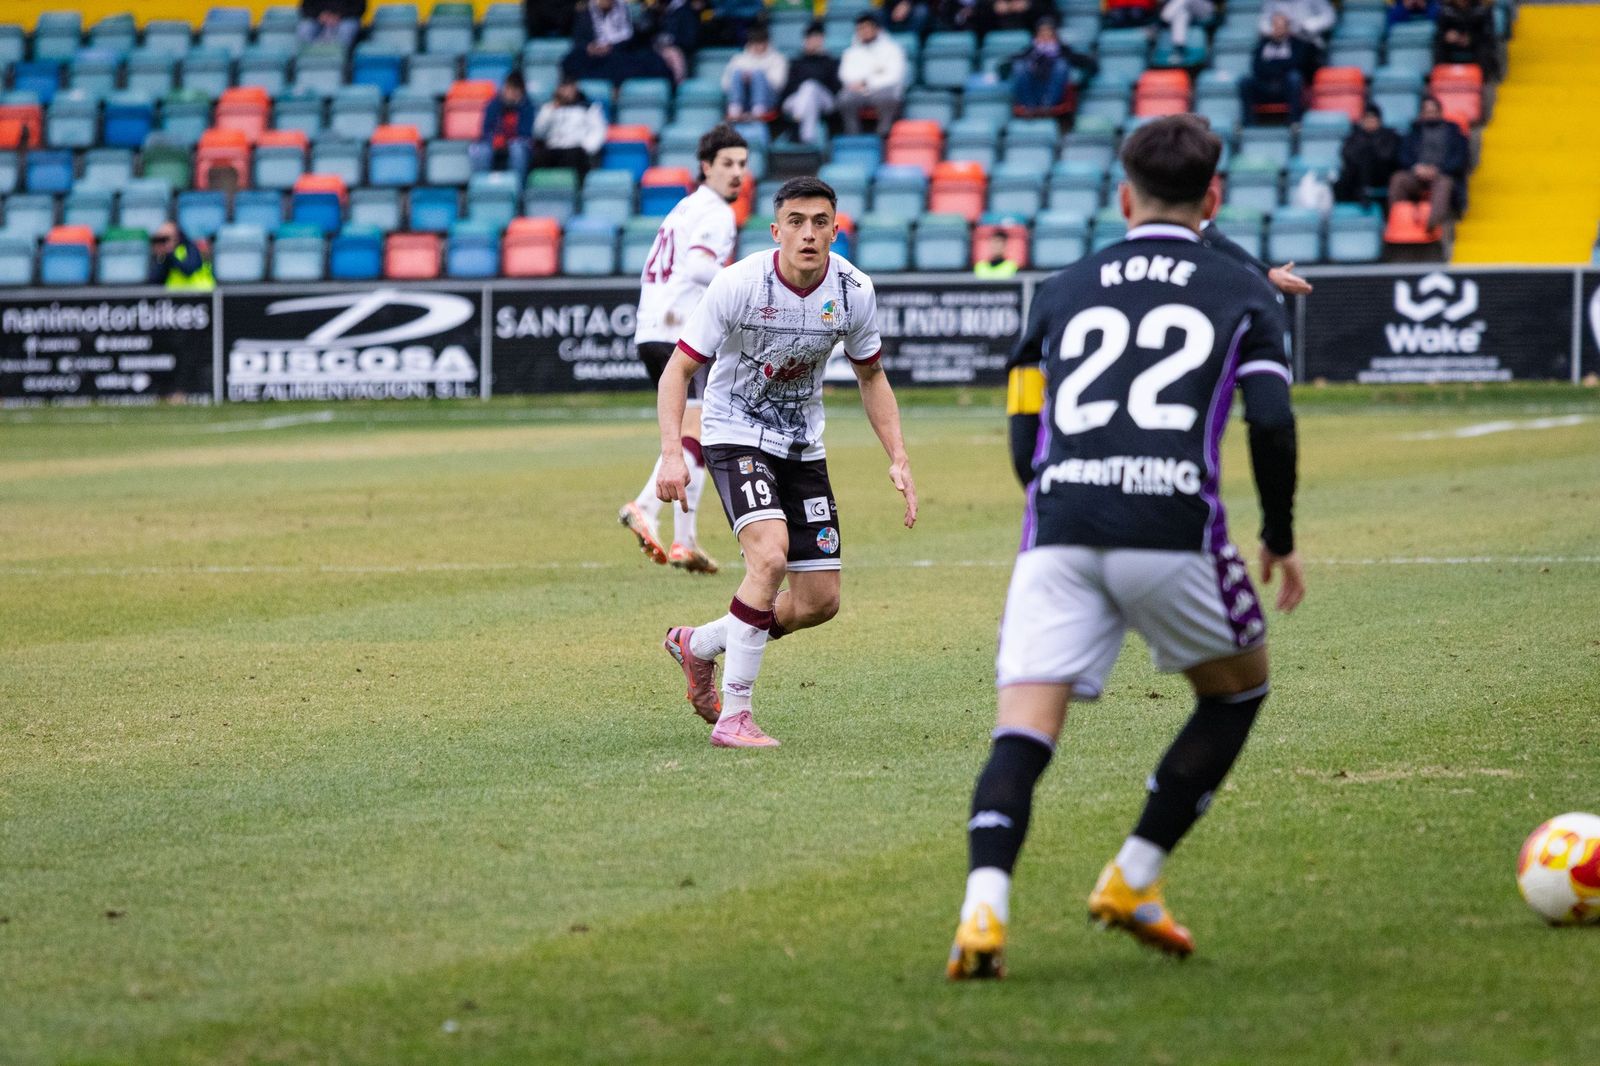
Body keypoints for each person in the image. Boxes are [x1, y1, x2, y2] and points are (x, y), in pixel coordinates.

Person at [946, 114, 1305, 979]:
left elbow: (1023, 425)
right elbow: (1270, 419)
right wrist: (1279, 535)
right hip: (1173, 529)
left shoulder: (1061, 287)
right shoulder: (1243, 288)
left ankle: (982, 912)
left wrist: (1061, 496)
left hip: (1059, 530)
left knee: (1022, 732)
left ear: (1122, 196)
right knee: (1236, 692)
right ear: (1213, 198)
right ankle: (1134, 876)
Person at [654, 176, 918, 747]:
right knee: (769, 557)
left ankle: (698, 645)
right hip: (734, 434)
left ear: (835, 231)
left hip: (802, 446)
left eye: (820, 222)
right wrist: (672, 453)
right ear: (776, 231)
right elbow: (678, 369)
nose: (808, 233)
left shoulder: (853, 291)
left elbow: (872, 375)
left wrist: (898, 456)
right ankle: (735, 715)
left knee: (819, 602)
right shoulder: (738, 284)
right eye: (796, 222)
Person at [619, 125, 750, 578]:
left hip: (652, 327)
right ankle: (645, 507)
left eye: (742, 164)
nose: (737, 173)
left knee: (695, 432)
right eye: (727, 164)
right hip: (681, 333)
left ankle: (684, 540)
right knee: (697, 433)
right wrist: (742, 285)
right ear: (706, 167)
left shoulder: (685, 207)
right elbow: (697, 267)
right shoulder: (717, 212)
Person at [1388, 94, 1470, 230]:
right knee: (1398, 180)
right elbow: (1402, 156)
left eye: (1433, 111)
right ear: (1421, 114)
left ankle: (1431, 226)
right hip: (1417, 175)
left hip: (1442, 174)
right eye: (1427, 112)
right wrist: (1415, 168)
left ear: (1440, 112)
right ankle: (1399, 222)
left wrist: (1438, 170)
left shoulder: (1454, 133)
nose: (1430, 115)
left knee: (1444, 183)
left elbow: (1460, 159)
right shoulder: (1413, 132)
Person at [562, 0, 675, 83]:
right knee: (572, 60)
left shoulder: (624, 9)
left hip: (618, 52)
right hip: (593, 57)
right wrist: (590, 47)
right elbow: (579, 40)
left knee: (645, 59)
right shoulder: (584, 13)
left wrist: (612, 47)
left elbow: (630, 38)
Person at [1009, 18, 1098, 119]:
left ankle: (1047, 107)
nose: (1045, 37)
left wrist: (1083, 81)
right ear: (1037, 36)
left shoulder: (1064, 52)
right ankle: (1030, 108)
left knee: (1062, 64)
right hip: (1031, 94)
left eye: (1049, 34)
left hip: (1054, 97)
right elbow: (1007, 64)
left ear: (1055, 36)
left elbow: (1089, 64)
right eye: (1042, 34)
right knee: (1019, 65)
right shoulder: (1029, 52)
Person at [836, 13, 908, 136]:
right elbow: (845, 75)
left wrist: (867, 81)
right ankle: (853, 135)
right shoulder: (851, 52)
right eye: (860, 29)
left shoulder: (892, 49)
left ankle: (883, 135)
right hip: (858, 91)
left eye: (867, 27)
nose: (864, 31)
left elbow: (894, 76)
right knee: (844, 98)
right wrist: (869, 77)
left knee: (888, 97)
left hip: (884, 89)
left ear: (876, 29)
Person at [1239, 14, 1311, 123]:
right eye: (1275, 26)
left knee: (1295, 77)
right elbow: (1256, 66)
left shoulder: (1297, 44)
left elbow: (1297, 64)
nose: (1277, 29)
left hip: (1285, 87)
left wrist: (1271, 65)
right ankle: (1248, 123)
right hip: (1265, 86)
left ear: (1287, 28)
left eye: (1280, 26)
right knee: (1245, 81)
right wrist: (1280, 67)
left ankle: (1294, 122)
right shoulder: (1263, 44)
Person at [530, 78, 608, 176]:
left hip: (577, 149)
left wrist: (586, 148)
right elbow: (538, 132)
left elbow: (598, 131)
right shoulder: (548, 108)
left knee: (574, 158)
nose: (567, 92)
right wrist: (550, 111)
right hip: (553, 148)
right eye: (563, 88)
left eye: (569, 88)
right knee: (538, 159)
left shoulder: (589, 108)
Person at [779, 22, 841, 145]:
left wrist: (820, 58)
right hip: (798, 100)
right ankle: (808, 138)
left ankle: (797, 124)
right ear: (805, 40)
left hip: (825, 101)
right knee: (808, 94)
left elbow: (835, 88)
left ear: (822, 40)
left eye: (818, 38)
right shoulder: (796, 61)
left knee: (811, 86)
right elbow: (788, 88)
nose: (814, 41)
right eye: (811, 38)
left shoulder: (830, 61)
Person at [1333, 103, 1402, 207]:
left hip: (1381, 175)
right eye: (1367, 118)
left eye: (1373, 118)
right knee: (1341, 180)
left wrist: (1370, 148)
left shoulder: (1389, 136)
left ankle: (1364, 192)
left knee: (1367, 156)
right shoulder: (1355, 136)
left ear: (1379, 120)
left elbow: (1388, 157)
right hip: (1356, 176)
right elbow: (1346, 154)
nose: (1370, 121)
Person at [473, 72, 536, 176]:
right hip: (495, 141)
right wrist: (494, 138)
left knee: (517, 149)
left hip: (518, 142)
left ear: (521, 92)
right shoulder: (493, 104)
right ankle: (482, 182)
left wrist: (507, 139)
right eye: (508, 88)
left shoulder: (527, 107)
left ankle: (517, 182)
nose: (510, 93)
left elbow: (526, 133)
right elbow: (486, 129)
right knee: (478, 149)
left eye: (515, 90)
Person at [721, 25, 788, 122]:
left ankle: (758, 109)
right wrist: (744, 80)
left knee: (758, 74)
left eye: (760, 43)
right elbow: (725, 84)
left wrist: (754, 78)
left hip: (768, 100)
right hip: (745, 99)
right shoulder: (738, 59)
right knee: (737, 73)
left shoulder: (778, 59)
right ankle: (735, 108)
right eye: (754, 43)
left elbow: (778, 84)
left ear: (767, 43)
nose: (758, 46)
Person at [1434, 0, 1499, 79]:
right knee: (1439, 45)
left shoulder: (1482, 9)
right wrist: (1447, 35)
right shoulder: (1446, 10)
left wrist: (1471, 38)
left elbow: (1487, 33)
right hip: (1453, 44)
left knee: (1485, 48)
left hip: (1475, 44)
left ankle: (1483, 79)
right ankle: (1442, 77)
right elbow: (1440, 31)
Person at [148, 222, 214, 291]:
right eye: (160, 239)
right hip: (175, 295)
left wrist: (170, 255)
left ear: (176, 236)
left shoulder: (189, 248)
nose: (163, 243)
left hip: (202, 293)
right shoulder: (161, 256)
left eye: (165, 239)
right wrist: (158, 259)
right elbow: (155, 281)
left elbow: (189, 269)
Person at [297, 0, 364, 49]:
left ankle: (340, 59)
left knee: (346, 28)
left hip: (345, 19)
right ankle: (309, 57)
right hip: (319, 19)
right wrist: (320, 16)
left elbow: (360, 7)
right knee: (305, 28)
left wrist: (338, 16)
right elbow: (305, 7)